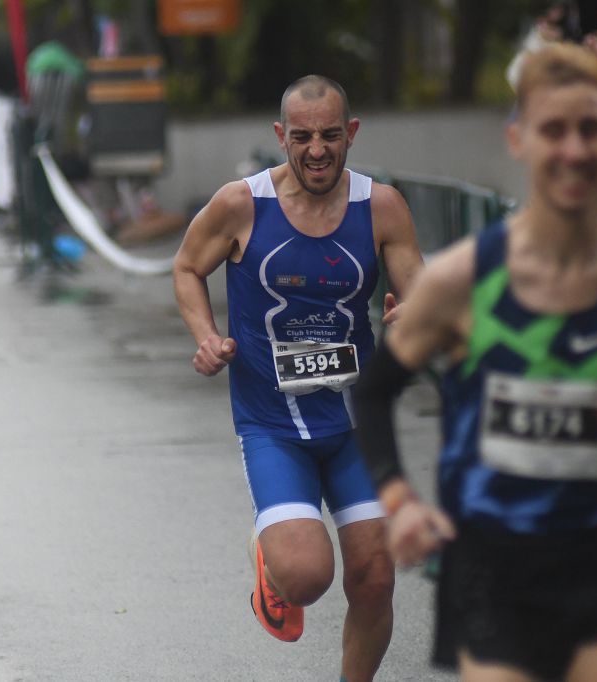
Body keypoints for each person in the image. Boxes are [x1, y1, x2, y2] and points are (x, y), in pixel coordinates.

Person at [353, 43, 597, 682]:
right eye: (554, 130)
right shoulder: (461, 279)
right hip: (494, 572)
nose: (574, 150)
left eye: (591, 128)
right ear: (518, 139)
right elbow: (374, 391)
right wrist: (400, 499)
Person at [172, 75, 423, 682]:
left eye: (331, 135)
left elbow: (420, 290)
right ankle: (276, 566)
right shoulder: (241, 204)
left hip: (355, 420)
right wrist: (206, 336)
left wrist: (413, 314)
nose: (317, 150)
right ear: (281, 136)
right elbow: (185, 266)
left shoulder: (381, 206)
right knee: (309, 577)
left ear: (351, 134)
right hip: (272, 425)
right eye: (303, 136)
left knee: (375, 577)